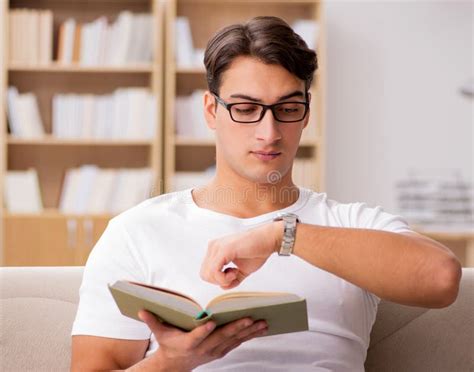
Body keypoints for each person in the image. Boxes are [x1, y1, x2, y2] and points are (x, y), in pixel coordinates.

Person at [71, 16, 461, 372]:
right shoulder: (137, 230)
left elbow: (442, 278)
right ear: (211, 111)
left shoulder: (349, 224)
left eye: (288, 108)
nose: (269, 132)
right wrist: (172, 362)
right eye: (245, 108)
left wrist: (282, 235)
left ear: (306, 113)